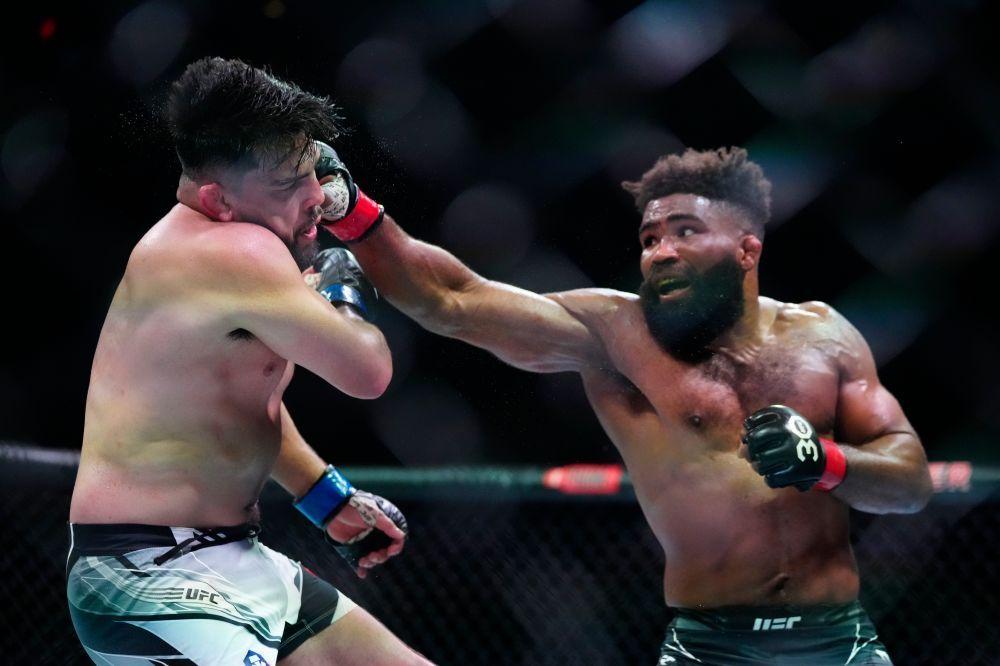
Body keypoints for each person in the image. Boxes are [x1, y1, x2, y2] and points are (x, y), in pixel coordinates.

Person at [317, 146, 933, 665]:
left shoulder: (822, 336)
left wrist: (825, 463)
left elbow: (909, 483)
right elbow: (449, 300)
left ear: (746, 250)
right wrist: (352, 211)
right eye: (650, 238)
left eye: (685, 232)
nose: (660, 252)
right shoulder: (617, 335)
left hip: (839, 641)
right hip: (712, 645)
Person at [67, 57, 433, 666]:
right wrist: (344, 287)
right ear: (221, 199)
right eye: (291, 185)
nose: (318, 197)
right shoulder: (233, 250)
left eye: (312, 169)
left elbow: (241, 405)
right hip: (144, 573)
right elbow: (367, 372)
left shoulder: (220, 251)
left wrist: (327, 500)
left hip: (233, 556)